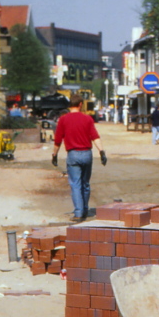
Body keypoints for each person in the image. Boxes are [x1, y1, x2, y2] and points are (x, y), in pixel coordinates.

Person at [52, 94, 106, 222]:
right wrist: (102, 151)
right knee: (85, 184)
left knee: (76, 184)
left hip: (73, 155)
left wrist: (54, 155)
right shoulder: (87, 119)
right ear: (80, 104)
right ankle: (85, 209)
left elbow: (58, 140)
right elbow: (95, 137)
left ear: (70, 105)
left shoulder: (63, 120)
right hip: (87, 154)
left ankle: (78, 213)